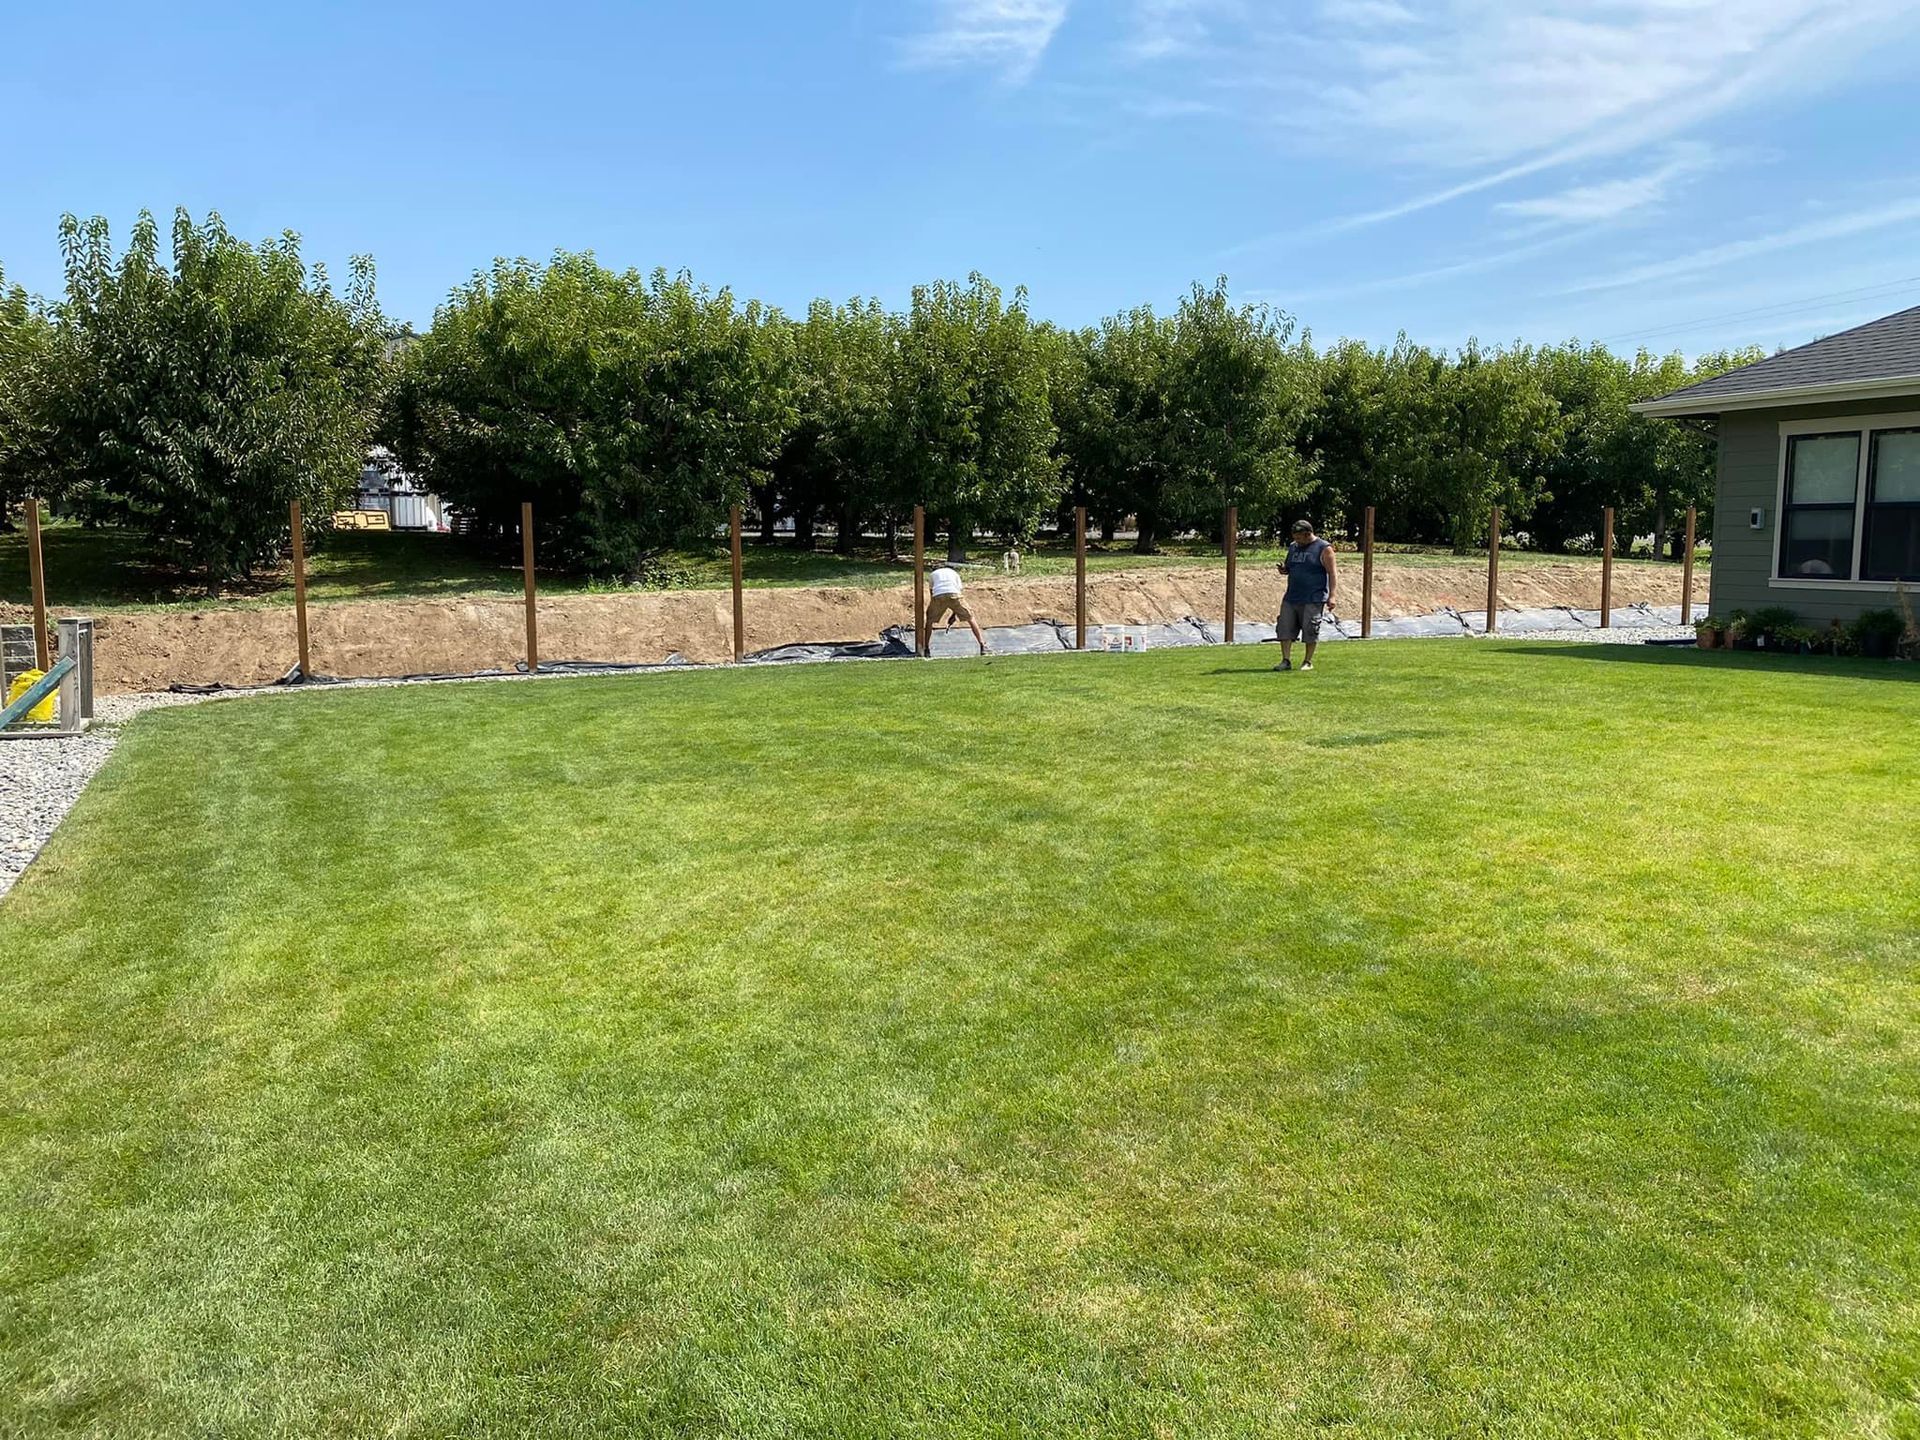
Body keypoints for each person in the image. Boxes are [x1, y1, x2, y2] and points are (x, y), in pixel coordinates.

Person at [1275, 519, 1336, 671]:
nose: (1296, 541)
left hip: (1313, 597)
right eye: (1294, 537)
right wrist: (1284, 570)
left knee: (1310, 630)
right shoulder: (1293, 547)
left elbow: (1332, 573)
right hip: (1292, 596)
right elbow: (1290, 567)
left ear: (1308, 534)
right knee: (1285, 628)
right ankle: (1285, 660)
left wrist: (1332, 596)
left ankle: (1307, 661)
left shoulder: (1324, 548)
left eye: (1299, 537)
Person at [924, 563, 988, 656]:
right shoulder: (954, 573)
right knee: (970, 618)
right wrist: (954, 614)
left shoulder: (932, 575)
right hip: (955, 594)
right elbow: (957, 592)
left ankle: (926, 648)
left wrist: (932, 610)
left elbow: (932, 593)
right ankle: (983, 645)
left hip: (938, 596)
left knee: (929, 621)